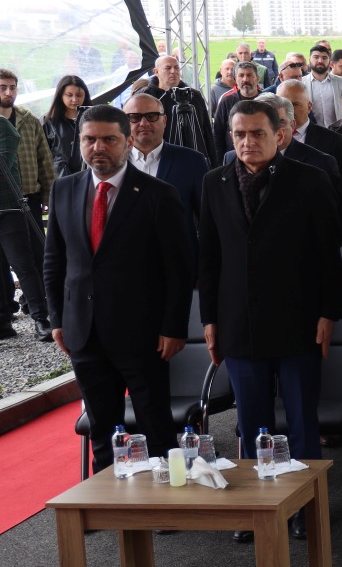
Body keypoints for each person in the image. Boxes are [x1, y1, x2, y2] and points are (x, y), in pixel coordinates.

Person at [199, 97, 342, 537]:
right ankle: (258, 508)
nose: (247, 142)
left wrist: (328, 314)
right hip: (239, 324)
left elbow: (327, 257)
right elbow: (209, 258)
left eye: (257, 133)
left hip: (298, 320)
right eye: (239, 134)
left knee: (301, 422)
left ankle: (305, 508)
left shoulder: (310, 180)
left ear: (278, 135)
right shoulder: (215, 182)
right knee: (252, 423)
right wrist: (210, 319)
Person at [43, 105, 193, 471]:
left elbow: (180, 268)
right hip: (84, 331)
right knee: (102, 425)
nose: (99, 148)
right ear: (79, 142)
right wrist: (58, 319)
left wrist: (173, 327)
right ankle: (108, 502)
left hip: (143, 334)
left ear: (127, 142)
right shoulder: (64, 190)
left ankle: (164, 502)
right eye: (89, 139)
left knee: (154, 423)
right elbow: (54, 263)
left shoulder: (159, 195)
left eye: (109, 139)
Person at [123, 92, 207, 231]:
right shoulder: (113, 163)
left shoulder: (192, 162)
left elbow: (207, 220)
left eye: (151, 116)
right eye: (134, 117)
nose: (144, 123)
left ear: (164, 121)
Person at [0, 114, 50, 340]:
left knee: (24, 264)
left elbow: (4, 164)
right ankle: (3, 322)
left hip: (9, 208)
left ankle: (41, 319)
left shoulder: (3, 125)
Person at [43, 75, 89, 178]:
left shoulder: (94, 118)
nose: (74, 99)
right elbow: (43, 156)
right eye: (69, 95)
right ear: (60, 96)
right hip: (61, 178)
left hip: (89, 176)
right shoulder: (48, 121)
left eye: (79, 95)